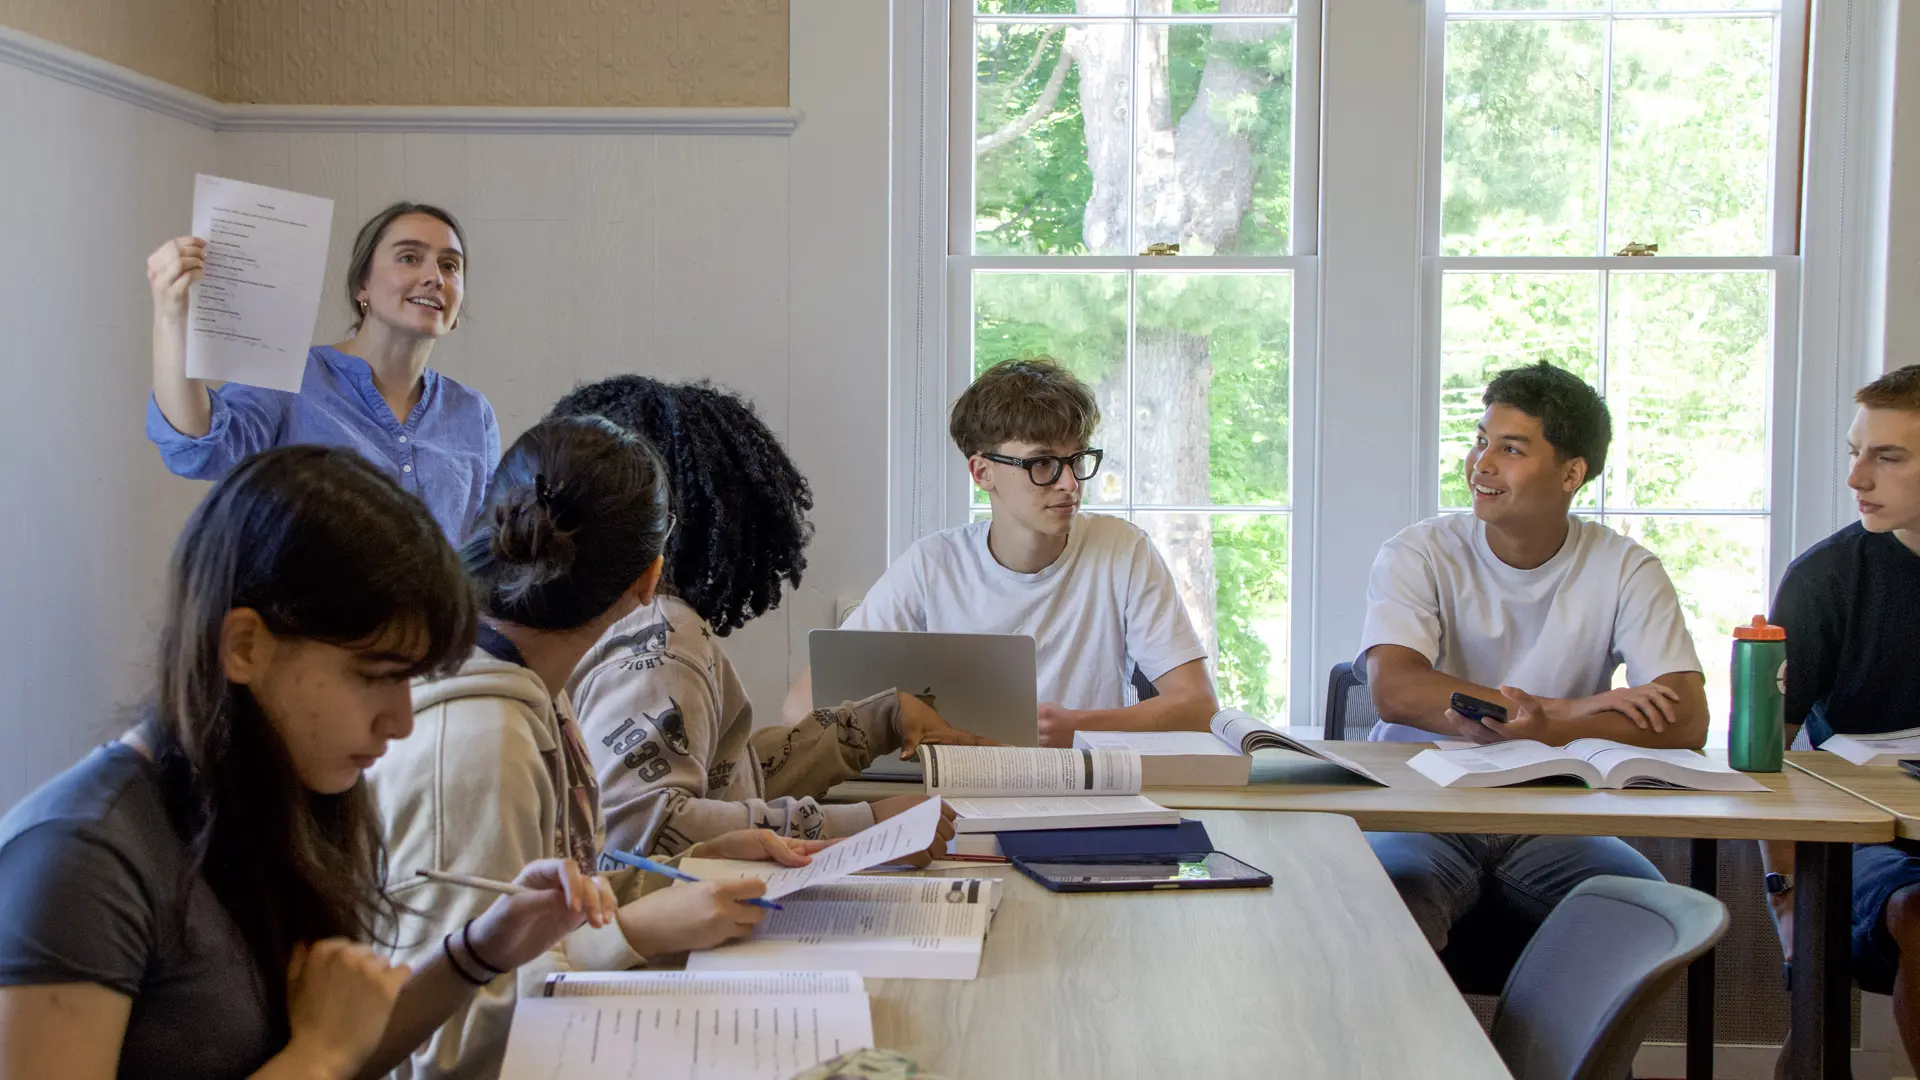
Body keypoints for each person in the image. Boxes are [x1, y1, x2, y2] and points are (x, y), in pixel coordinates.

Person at [0, 446, 610, 1080]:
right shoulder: (79, 861)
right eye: (373, 676)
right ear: (245, 646)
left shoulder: (281, 798)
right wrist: (318, 1056)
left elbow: (342, 1045)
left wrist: (482, 950)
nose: (401, 721)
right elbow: (324, 1056)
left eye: (411, 681)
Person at [367, 414, 918, 1079]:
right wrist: (635, 933)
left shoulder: (533, 687)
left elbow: (547, 910)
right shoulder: (484, 744)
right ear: (649, 578)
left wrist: (693, 864)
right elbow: (440, 1051)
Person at [552, 377, 990, 855]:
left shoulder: (606, 619)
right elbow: (640, 829)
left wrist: (876, 721)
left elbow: (729, 783)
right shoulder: (665, 638)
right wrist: (864, 825)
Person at [1358, 361, 1706, 959]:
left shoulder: (1626, 567)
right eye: (1480, 440)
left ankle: (1549, 1027)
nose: (1481, 464)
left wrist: (1551, 725)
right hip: (1424, 806)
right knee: (1382, 898)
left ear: (1572, 473)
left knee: (1653, 919)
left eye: (1511, 449)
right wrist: (1571, 713)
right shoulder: (1418, 552)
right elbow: (1398, 691)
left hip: (1557, 817)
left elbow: (1686, 719)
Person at [782, 356, 1217, 748]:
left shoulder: (1123, 550)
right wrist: (900, 719)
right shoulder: (932, 566)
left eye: (1077, 460)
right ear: (982, 472)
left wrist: (1078, 726)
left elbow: (1199, 708)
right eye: (1042, 463)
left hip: (1083, 788)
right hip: (960, 787)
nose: (1070, 483)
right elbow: (800, 707)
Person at [146, 202, 498, 541]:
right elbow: (198, 447)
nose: (435, 277)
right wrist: (170, 315)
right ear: (362, 285)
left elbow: (489, 549)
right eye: (409, 258)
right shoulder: (289, 379)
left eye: (450, 266)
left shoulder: (473, 412)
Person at [1761, 364, 1920, 1071]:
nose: (1857, 478)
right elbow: (1764, 760)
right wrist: (1786, 899)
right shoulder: (1825, 578)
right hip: (1868, 842)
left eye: (1888, 457)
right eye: (1855, 453)